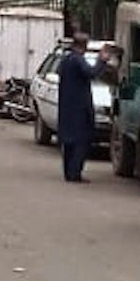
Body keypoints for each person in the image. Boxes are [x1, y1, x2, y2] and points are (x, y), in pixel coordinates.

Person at [56, 33, 98, 182]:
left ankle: (68, 172)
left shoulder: (66, 59)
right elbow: (90, 73)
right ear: (84, 45)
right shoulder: (78, 59)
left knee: (68, 142)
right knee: (81, 141)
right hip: (79, 108)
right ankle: (75, 173)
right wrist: (102, 61)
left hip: (66, 106)